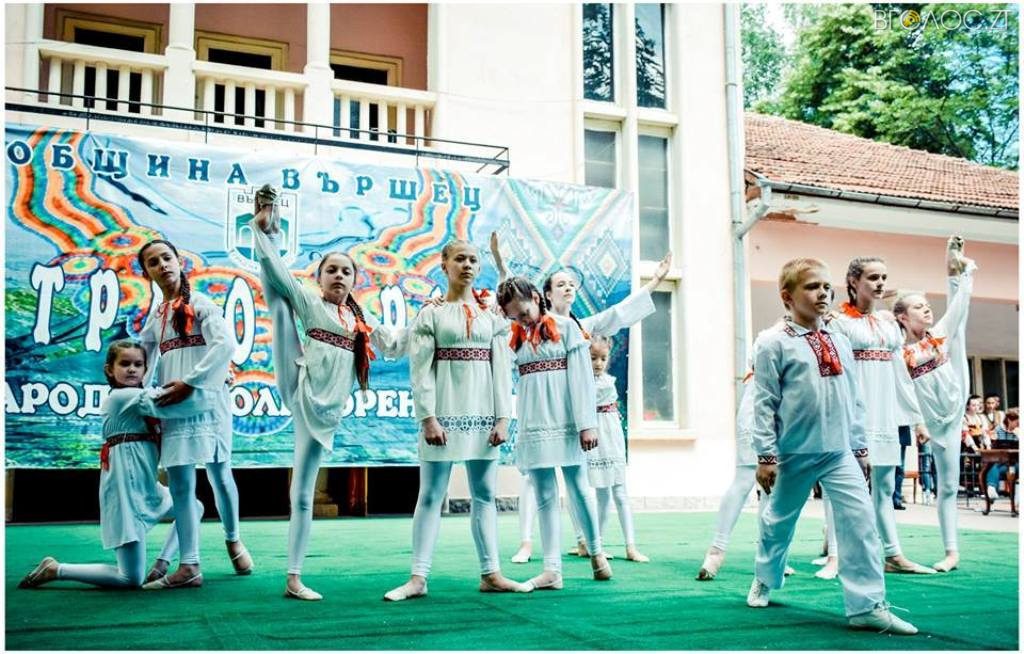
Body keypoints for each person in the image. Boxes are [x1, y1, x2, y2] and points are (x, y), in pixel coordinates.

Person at [747, 257, 917, 635]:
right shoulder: (773, 343)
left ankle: (867, 606)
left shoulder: (840, 339)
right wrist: (766, 455)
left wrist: (859, 449)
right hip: (794, 452)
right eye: (812, 287)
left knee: (861, 522)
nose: (823, 293)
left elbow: (854, 399)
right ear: (787, 296)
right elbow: (764, 402)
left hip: (839, 453)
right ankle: (766, 577)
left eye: (826, 286)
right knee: (778, 522)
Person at [251, 188, 407, 599]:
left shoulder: (360, 320)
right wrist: (264, 233)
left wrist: (431, 321)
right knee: (279, 303)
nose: (339, 275)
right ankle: (294, 576)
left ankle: (294, 577)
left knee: (303, 489)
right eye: (331, 270)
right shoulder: (310, 301)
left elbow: (394, 344)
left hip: (328, 407)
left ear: (355, 280)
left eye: (346, 271)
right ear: (319, 278)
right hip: (299, 384)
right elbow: (279, 274)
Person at [492, 232, 671, 563]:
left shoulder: (578, 327)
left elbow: (619, 314)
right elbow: (512, 300)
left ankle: (591, 546)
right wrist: (502, 266)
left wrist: (655, 282)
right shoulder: (520, 330)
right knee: (535, 481)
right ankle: (529, 543)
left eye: (571, 283)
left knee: (579, 482)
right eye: (560, 284)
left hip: (570, 411)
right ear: (545, 293)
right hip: (537, 413)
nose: (568, 288)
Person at [383, 240, 528, 601]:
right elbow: (420, 372)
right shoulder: (430, 314)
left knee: (485, 494)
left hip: (483, 417)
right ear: (444, 264)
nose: (467, 265)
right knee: (431, 495)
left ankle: (491, 573)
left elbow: (501, 370)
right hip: (443, 416)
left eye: (473, 260)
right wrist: (428, 418)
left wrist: (503, 418)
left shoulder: (491, 317)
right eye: (460, 258)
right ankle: (418, 578)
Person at [19, 340, 202, 589]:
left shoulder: (137, 396)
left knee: (193, 506)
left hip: (146, 487)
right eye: (124, 364)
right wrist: (209, 382)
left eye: (138, 364)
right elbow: (175, 400)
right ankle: (56, 569)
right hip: (124, 490)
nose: (132, 369)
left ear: (145, 369)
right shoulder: (125, 397)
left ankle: (161, 563)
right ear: (109, 369)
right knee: (129, 578)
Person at [136, 238, 251, 589]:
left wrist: (191, 381)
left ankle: (233, 538)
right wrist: (140, 397)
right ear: (147, 272)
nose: (162, 265)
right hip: (173, 405)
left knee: (220, 475)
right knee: (181, 485)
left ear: (179, 261)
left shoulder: (200, 303)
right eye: (153, 262)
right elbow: (143, 360)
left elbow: (224, 345)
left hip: (207, 401)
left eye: (166, 258)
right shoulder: (157, 317)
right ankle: (189, 565)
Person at [497, 276, 612, 590]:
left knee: (579, 488)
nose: (522, 320)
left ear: (537, 298)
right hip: (534, 419)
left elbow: (582, 378)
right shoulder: (515, 336)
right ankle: (552, 570)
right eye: (514, 317)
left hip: (566, 418)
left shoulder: (567, 328)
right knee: (544, 494)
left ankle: (597, 553)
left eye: (524, 312)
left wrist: (587, 423)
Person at [830, 256, 933, 574]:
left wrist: (916, 418)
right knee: (846, 487)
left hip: (887, 414)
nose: (880, 283)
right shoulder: (838, 323)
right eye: (873, 277)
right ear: (853, 281)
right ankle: (837, 555)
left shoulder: (889, 325)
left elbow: (901, 375)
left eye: (883, 278)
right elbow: (834, 375)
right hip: (854, 415)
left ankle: (892, 554)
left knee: (886, 487)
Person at [894, 236, 976, 572]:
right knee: (943, 484)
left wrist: (960, 274)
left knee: (959, 325)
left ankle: (952, 552)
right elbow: (905, 393)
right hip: (933, 423)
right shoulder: (899, 352)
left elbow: (958, 307)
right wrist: (919, 424)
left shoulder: (938, 333)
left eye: (927, 304)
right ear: (902, 317)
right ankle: (941, 551)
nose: (926, 309)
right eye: (918, 307)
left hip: (955, 411)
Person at [586, 335, 649, 563]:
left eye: (603, 358)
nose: (599, 363)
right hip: (595, 435)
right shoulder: (583, 382)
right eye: (593, 358)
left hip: (611, 433)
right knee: (602, 493)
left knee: (620, 492)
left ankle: (630, 546)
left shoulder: (608, 381)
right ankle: (596, 545)